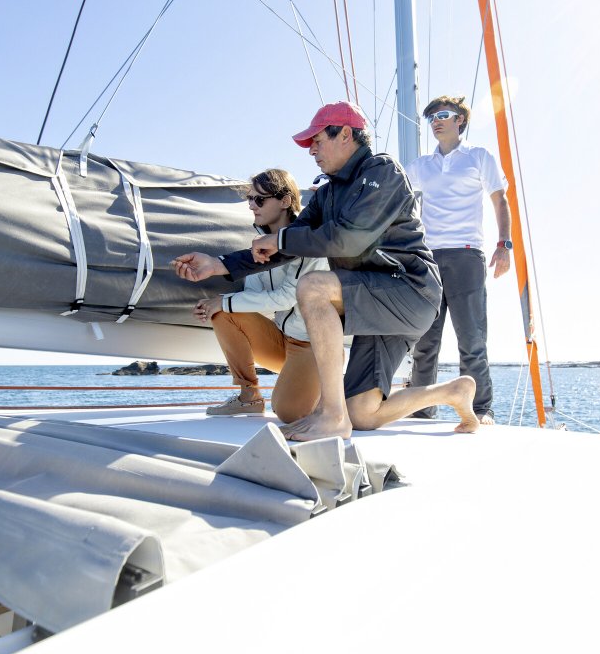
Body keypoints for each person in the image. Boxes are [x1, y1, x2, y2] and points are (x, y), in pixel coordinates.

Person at [173, 101, 479, 442]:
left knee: (313, 287)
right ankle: (453, 392)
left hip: (409, 291)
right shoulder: (329, 192)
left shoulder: (382, 172)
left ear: (345, 134)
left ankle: (331, 416)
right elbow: (283, 246)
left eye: (316, 141)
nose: (311, 151)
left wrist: (283, 239)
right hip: (373, 301)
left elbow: (349, 239)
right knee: (363, 413)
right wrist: (219, 264)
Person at [185, 169, 326, 423]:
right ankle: (248, 397)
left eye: (260, 199)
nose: (252, 205)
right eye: (250, 199)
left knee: (288, 413)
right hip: (283, 340)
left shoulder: (307, 240)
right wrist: (214, 304)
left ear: (285, 201)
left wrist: (225, 301)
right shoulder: (260, 243)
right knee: (222, 312)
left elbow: (287, 297)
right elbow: (253, 295)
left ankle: (324, 389)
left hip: (313, 345)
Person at [404, 95, 510, 425]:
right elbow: (393, 187)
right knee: (425, 340)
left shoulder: (478, 158)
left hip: (467, 256)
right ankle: (422, 410)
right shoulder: (423, 166)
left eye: (444, 115)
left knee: (472, 339)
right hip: (429, 259)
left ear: (460, 120)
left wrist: (503, 244)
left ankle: (481, 410)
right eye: (432, 117)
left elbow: (499, 200)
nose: (436, 120)